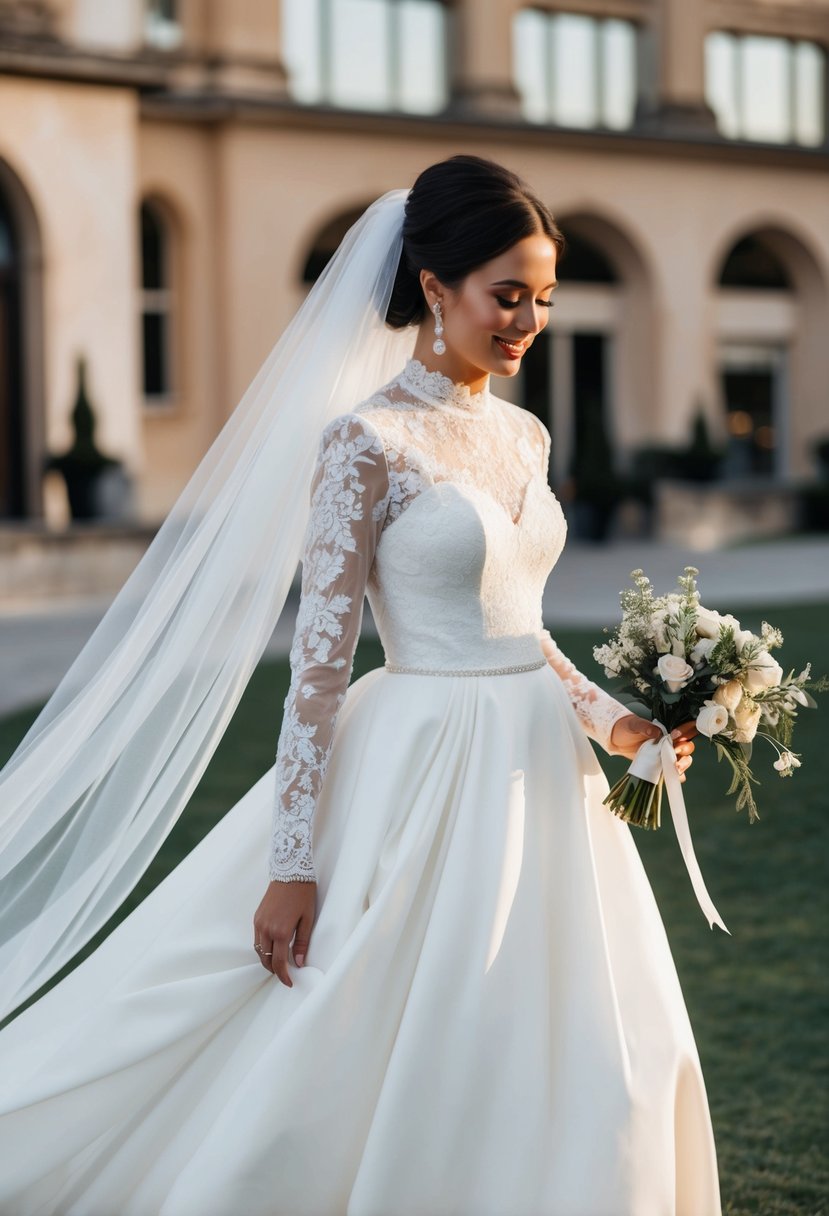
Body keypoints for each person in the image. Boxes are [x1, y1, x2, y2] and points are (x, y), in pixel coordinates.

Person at [0, 155, 721, 1215]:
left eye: (543, 299)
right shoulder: (363, 444)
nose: (526, 320)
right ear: (435, 286)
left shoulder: (525, 433)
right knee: (381, 1022)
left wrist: (614, 722)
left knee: (589, 1034)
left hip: (539, 775)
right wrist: (292, 861)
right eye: (505, 294)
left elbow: (518, 629)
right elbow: (318, 673)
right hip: (420, 764)